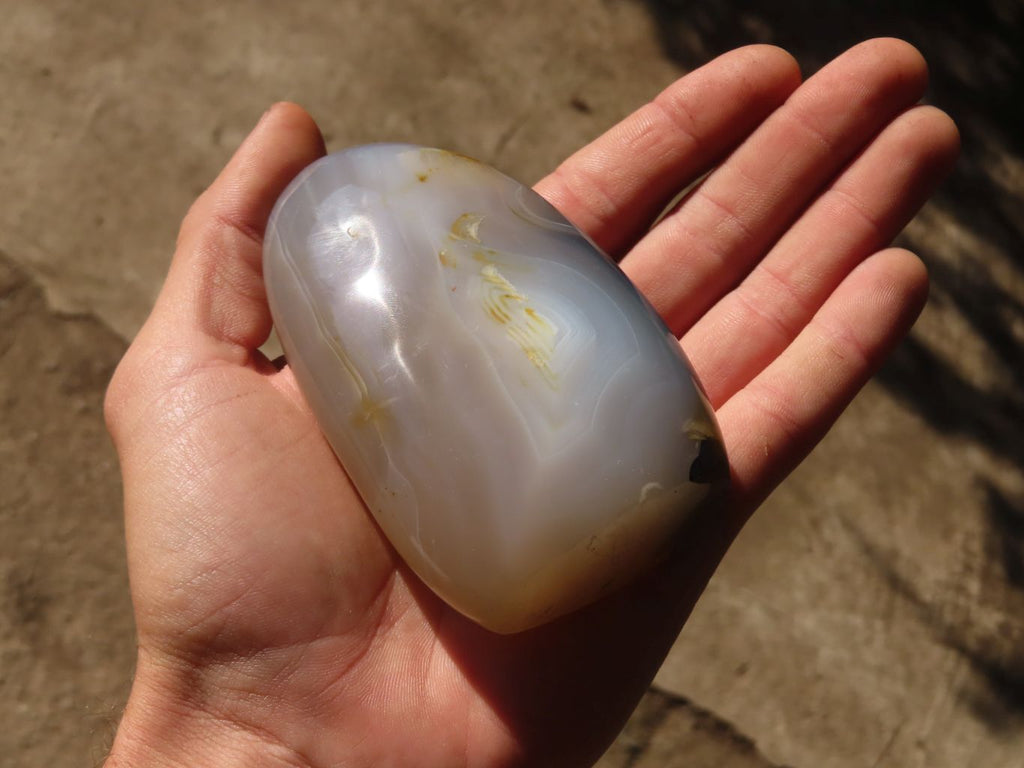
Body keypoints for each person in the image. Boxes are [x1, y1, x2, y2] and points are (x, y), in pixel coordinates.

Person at [102, 39, 958, 768]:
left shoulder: (357, 215)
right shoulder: (351, 219)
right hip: (563, 512)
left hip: (587, 492)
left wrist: (230, 729)